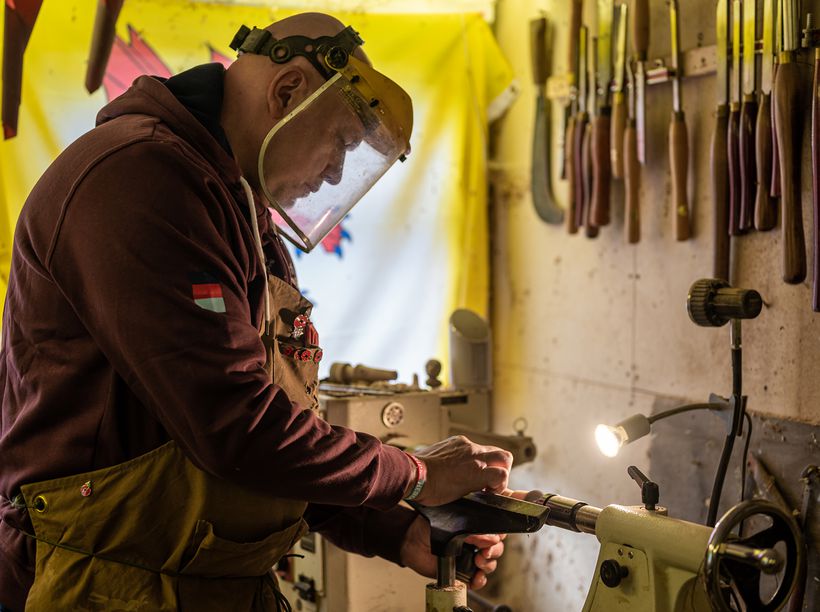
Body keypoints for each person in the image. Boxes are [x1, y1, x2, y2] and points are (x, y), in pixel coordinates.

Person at [0, 11, 514, 611]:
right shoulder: (140, 178)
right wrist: (417, 474)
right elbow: (234, 428)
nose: (335, 171)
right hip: (100, 585)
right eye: (342, 143)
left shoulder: (235, 204)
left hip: (195, 580)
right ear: (288, 91)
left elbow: (266, 437)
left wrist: (395, 532)